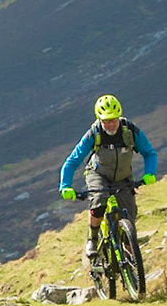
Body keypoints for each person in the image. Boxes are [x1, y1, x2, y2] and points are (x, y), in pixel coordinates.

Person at [59, 95, 158, 266]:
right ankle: (92, 238)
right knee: (99, 202)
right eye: (106, 121)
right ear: (99, 119)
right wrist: (65, 185)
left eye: (113, 120)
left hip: (123, 178)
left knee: (129, 217)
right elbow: (73, 160)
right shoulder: (94, 133)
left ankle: (131, 261)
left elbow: (149, 153)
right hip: (98, 174)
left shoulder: (130, 131)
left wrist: (150, 173)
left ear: (119, 117)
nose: (110, 124)